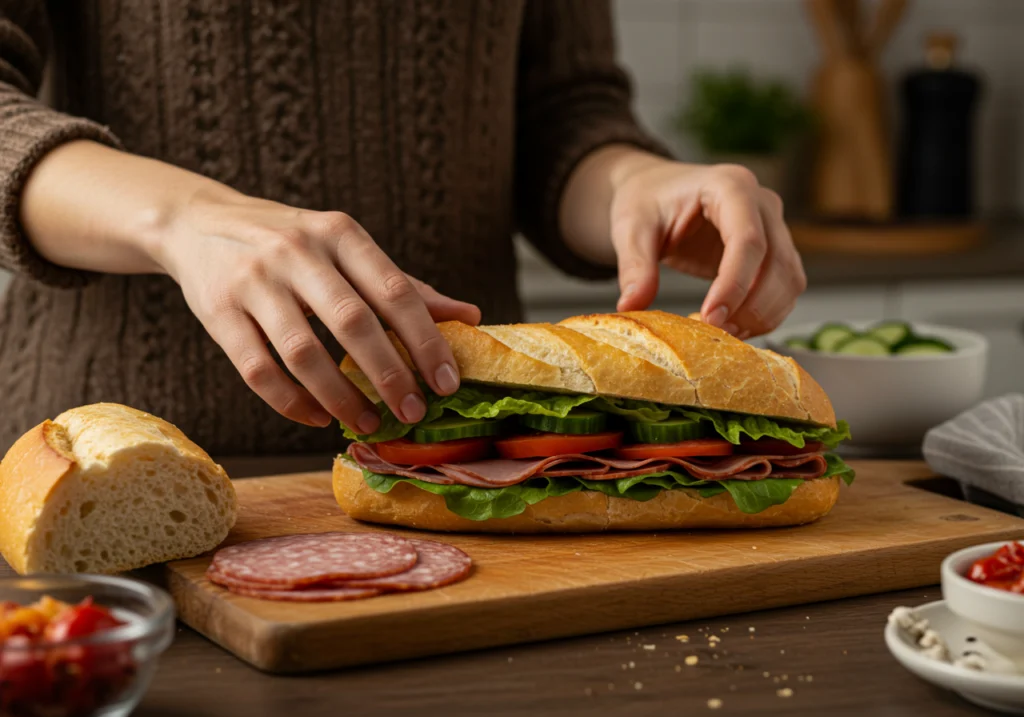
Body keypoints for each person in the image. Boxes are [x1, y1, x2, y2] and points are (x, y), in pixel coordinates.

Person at [0, 1, 806, 456]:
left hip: (471, 454)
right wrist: (181, 220)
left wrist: (636, 182)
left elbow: (565, 108)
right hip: (104, 471)